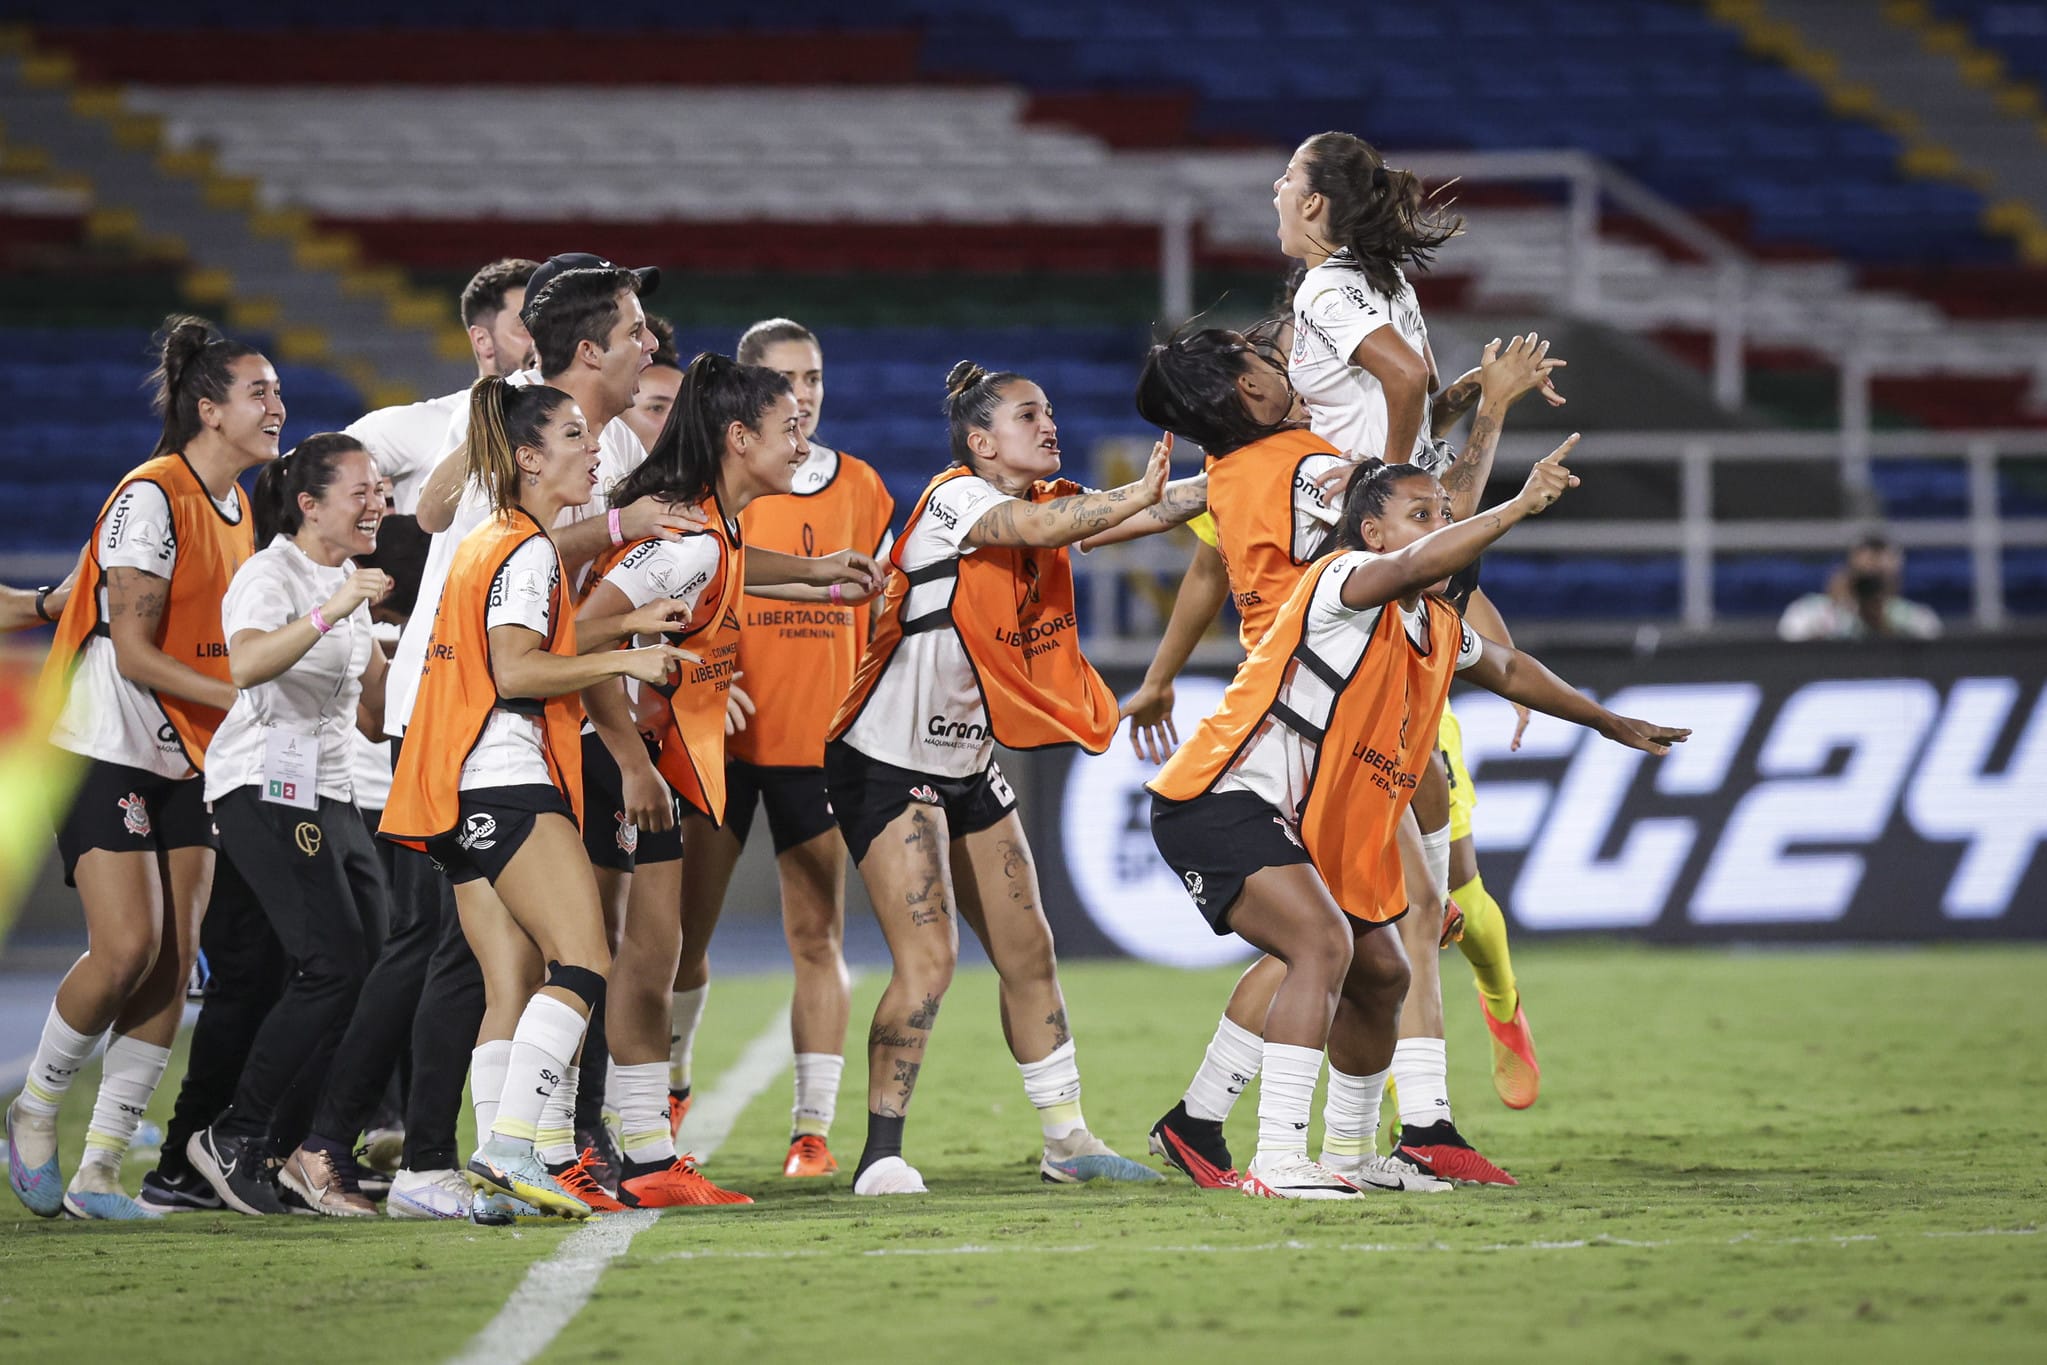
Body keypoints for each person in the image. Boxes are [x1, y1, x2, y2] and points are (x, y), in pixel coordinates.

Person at [1148, 447, 1688, 1198]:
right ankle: (1277, 1155)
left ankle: (1348, 1150)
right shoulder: (1340, 581)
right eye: (1420, 516)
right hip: (1216, 796)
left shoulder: (1430, 624)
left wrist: (1603, 719)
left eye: (1443, 515)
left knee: (1383, 971)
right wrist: (1515, 506)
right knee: (1319, 941)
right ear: (1370, 532)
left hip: (1289, 817)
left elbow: (1503, 666)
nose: (1440, 528)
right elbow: (1417, 569)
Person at [1124, 326, 1560, 1185]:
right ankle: (1391, 1130)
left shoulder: (1231, 474)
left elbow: (1212, 565)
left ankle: (1206, 1117)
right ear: (1249, 392)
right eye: (1272, 363)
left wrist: (1158, 673)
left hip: (1302, 701)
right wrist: (1490, 413)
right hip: (1333, 715)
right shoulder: (1306, 466)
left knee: (1339, 941)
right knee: (1380, 924)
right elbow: (1426, 538)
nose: (1287, 367)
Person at [824, 361, 1204, 1196]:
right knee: (928, 960)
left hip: (963, 761)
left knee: (1029, 948)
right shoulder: (955, 497)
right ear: (980, 440)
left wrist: (1233, 480)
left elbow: (1123, 517)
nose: (1048, 423)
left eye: (1050, 411)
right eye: (1029, 414)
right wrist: (1134, 496)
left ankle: (1066, 1138)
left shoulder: (1040, 505)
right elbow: (1047, 529)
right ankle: (879, 1153)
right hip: (887, 761)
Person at [373, 255, 700, 1220]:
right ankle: (509, 1147)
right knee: (578, 956)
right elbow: (513, 661)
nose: (593, 453)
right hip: (498, 756)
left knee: (508, 970)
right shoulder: (521, 530)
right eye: (569, 439)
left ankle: (495, 1162)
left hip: (454, 754)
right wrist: (628, 665)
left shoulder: (506, 525)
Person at [579, 351, 884, 1207]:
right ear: (738, 437)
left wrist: (819, 572)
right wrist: (634, 759)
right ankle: (570, 1146)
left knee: (649, 955)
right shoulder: (686, 538)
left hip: (640, 756)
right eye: (785, 428)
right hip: (614, 759)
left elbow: (731, 567)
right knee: (614, 961)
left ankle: (639, 1153)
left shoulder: (717, 525)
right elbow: (577, 635)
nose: (801, 441)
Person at [7, 316, 276, 1220]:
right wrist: (246, 700)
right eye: (258, 391)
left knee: (174, 962)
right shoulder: (152, 494)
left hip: (187, 753)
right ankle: (35, 1109)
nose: (277, 404)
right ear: (209, 409)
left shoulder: (241, 506)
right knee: (126, 947)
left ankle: (101, 1170)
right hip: (101, 745)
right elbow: (131, 651)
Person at [655, 317, 896, 1181]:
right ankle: (670, 1090)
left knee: (816, 933)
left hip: (814, 742)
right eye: (786, 381)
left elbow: (878, 614)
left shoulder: (863, 487)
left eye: (816, 377)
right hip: (716, 739)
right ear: (746, 404)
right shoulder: (708, 497)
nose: (806, 397)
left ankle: (811, 1129)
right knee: (684, 932)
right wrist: (699, 690)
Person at [184, 434, 396, 1216]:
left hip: (329, 788)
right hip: (263, 785)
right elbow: (242, 667)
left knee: (375, 965)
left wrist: (406, 658)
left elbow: (374, 714)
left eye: (380, 488)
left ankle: (295, 1149)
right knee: (332, 962)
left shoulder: (349, 580)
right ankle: (235, 1136)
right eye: (363, 490)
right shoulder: (269, 574)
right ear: (309, 505)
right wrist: (329, 611)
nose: (379, 501)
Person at [1777, 533, 1942, 641]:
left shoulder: (1916, 617)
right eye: (1865, 577)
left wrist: (1883, 625)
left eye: (1879, 578)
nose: (1871, 587)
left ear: (1896, 578)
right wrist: (1833, 614)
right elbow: (1788, 645)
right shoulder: (1809, 610)